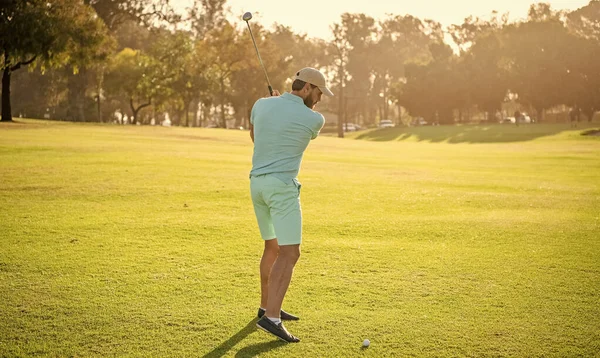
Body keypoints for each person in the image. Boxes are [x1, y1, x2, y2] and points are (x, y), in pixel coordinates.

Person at [249, 67, 333, 343]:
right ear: (307, 87)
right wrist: (281, 106)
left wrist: (274, 103)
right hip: (281, 188)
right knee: (290, 253)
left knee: (272, 247)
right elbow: (296, 129)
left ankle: (266, 306)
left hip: (257, 184)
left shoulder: (262, 105)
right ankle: (272, 318)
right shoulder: (314, 119)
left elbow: (256, 136)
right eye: (319, 92)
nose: (320, 99)